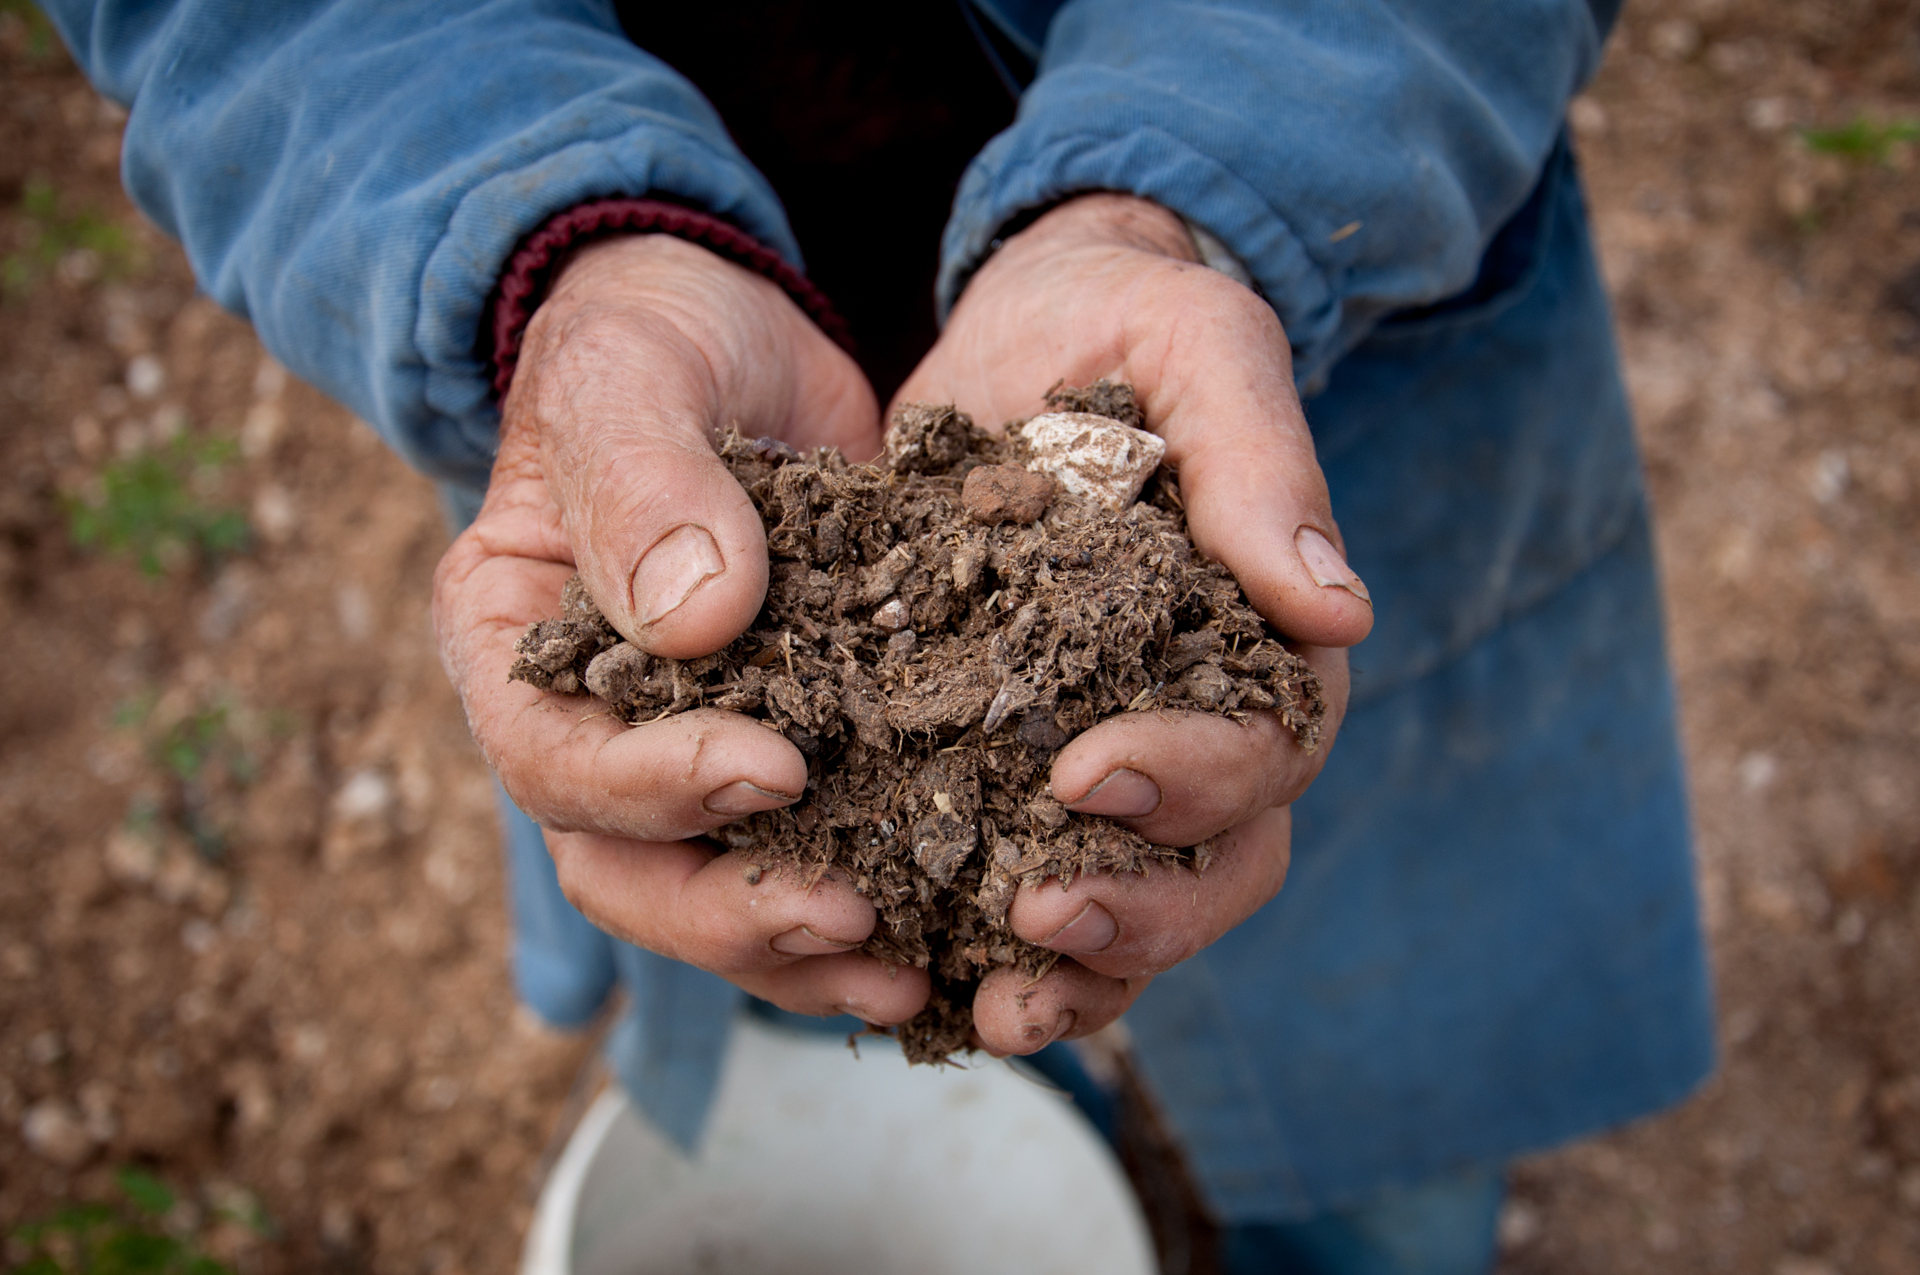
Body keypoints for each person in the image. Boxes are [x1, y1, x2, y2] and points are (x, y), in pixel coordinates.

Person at [40, 1, 1716, 1270]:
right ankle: (1035, 1123)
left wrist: (1180, 199)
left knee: (1379, 1078)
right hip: (673, 420)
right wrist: (554, 252)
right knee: (824, 931)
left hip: (1322, 347)